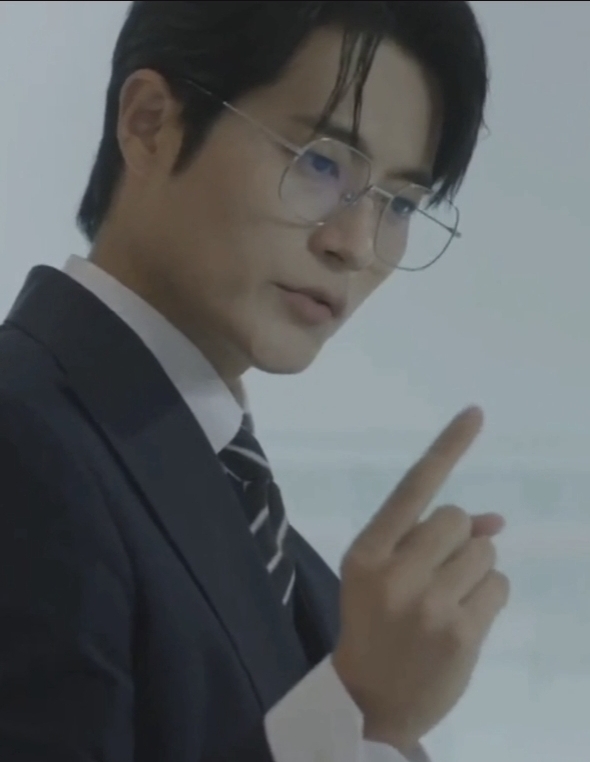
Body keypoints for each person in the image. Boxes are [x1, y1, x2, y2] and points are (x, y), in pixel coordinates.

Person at [0, 2, 510, 761]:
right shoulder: (22, 443)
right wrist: (360, 714)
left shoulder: (280, 554)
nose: (356, 245)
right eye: (321, 163)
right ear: (149, 124)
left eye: (400, 203)